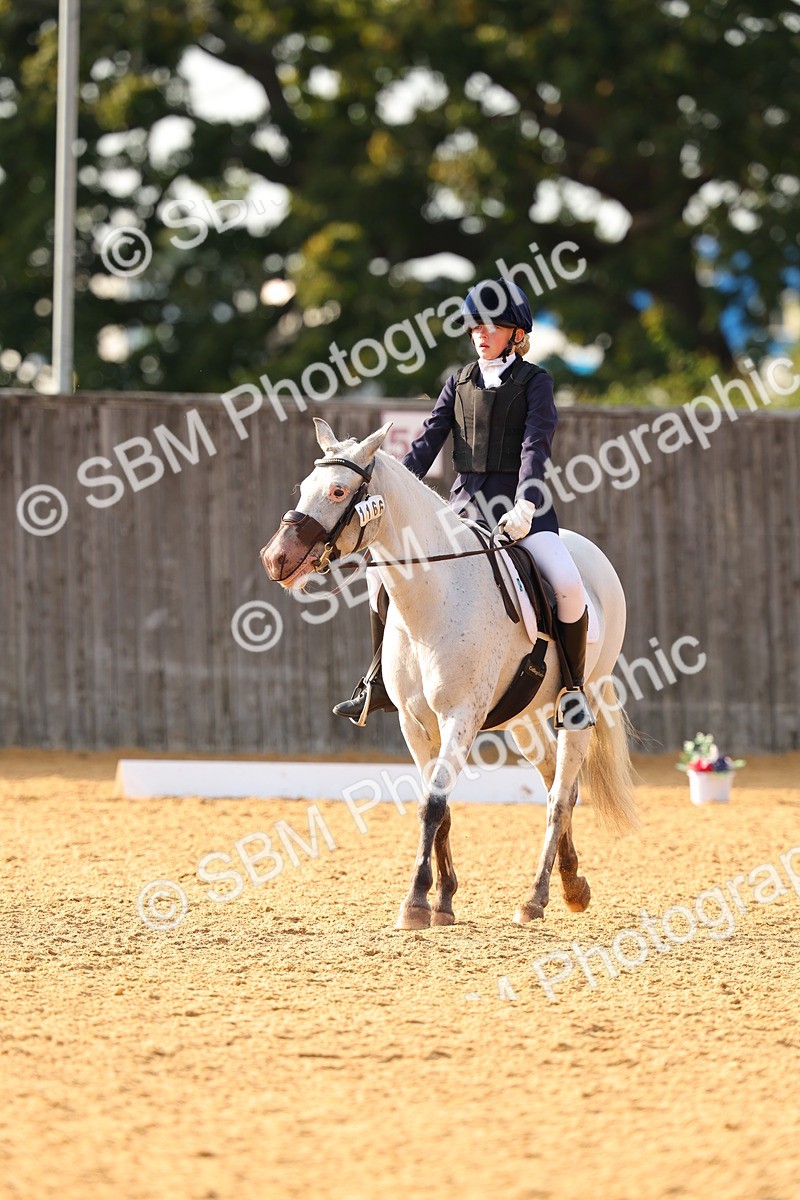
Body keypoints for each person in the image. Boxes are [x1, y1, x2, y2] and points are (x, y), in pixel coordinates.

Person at [332, 277, 595, 732]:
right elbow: (425, 444)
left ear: (516, 333)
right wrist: (385, 496)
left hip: (519, 512)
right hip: (463, 511)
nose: (481, 333)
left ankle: (572, 691)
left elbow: (535, 446)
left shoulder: (536, 382)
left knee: (570, 586)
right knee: (380, 573)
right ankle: (378, 680)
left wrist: (526, 504)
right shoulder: (459, 382)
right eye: (475, 326)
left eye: (492, 325)